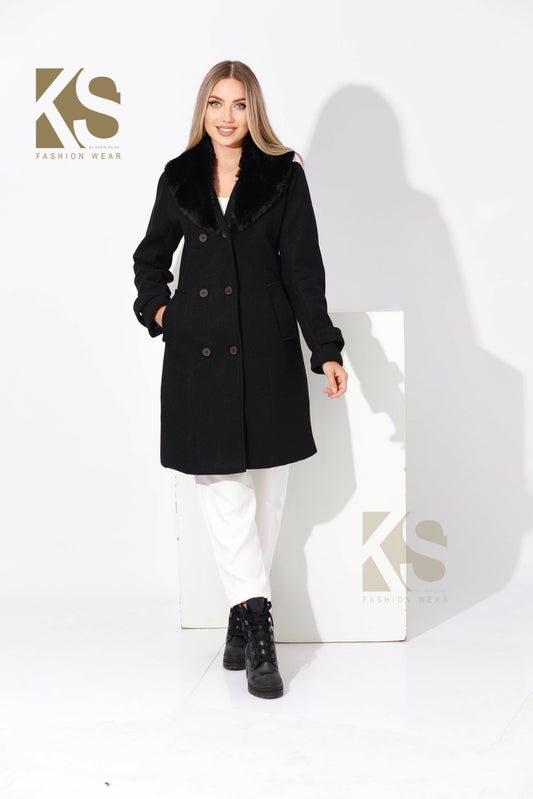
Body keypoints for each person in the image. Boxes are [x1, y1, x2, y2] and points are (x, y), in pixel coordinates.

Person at [132, 60, 348, 699]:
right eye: (215, 103)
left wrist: (325, 349)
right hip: (198, 358)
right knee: (224, 493)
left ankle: (237, 614)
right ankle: (259, 629)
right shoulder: (179, 177)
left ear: (255, 111)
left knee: (267, 498)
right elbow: (149, 260)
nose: (226, 117)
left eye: (239, 104)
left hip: (266, 352)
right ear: (202, 110)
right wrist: (165, 314)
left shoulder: (283, 177)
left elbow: (304, 270)